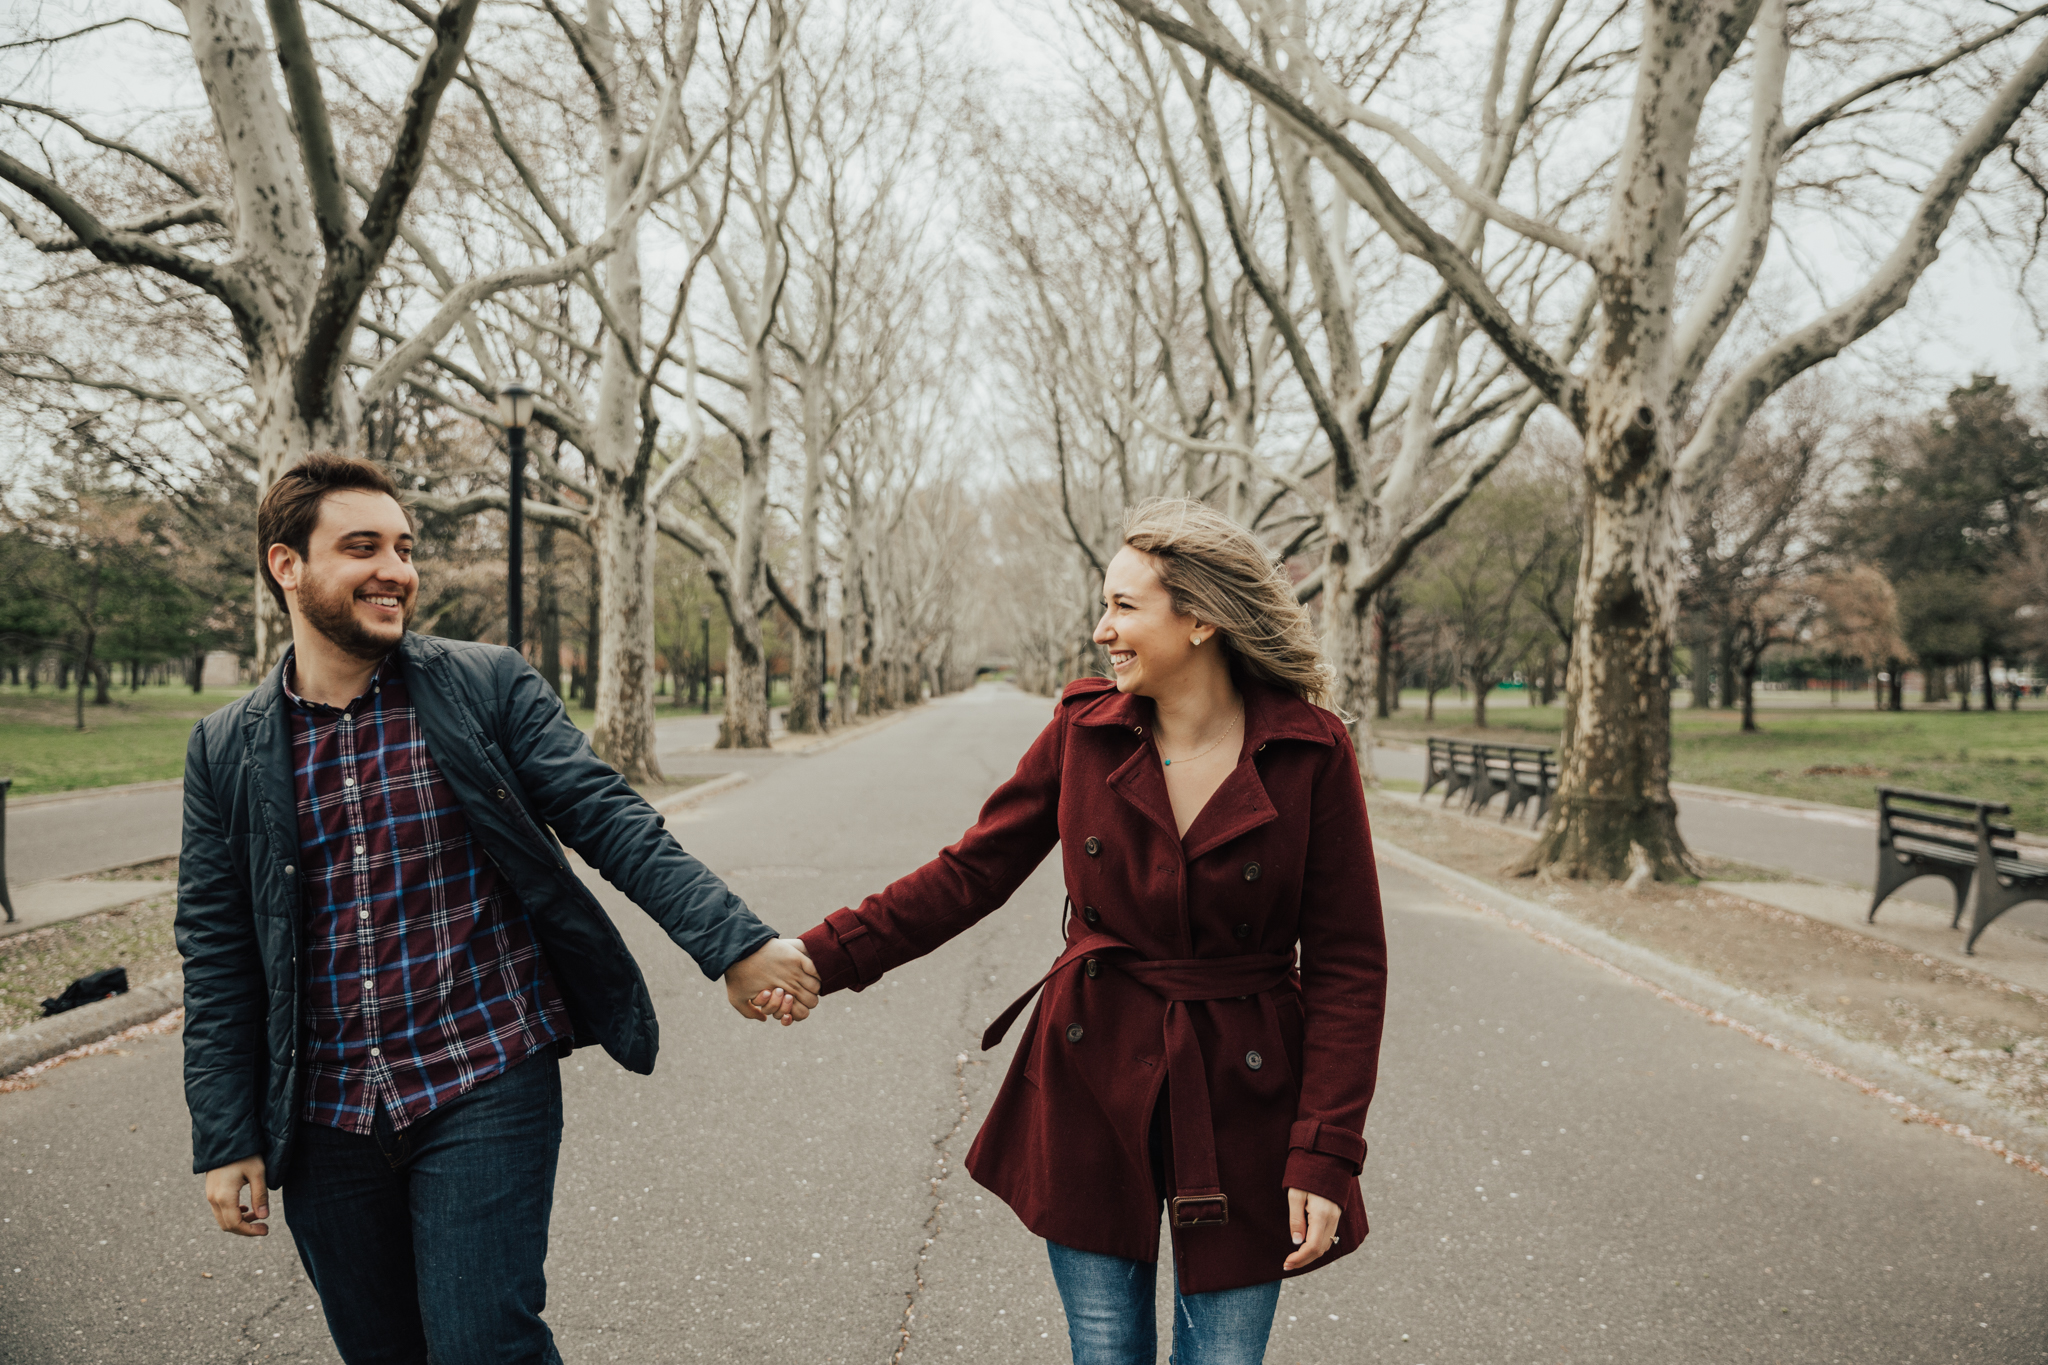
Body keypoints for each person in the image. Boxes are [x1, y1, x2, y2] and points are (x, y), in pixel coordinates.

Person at [175, 452, 819, 1365]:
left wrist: (736, 944)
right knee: (382, 1349)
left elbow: (612, 819)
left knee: (486, 1345)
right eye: (362, 547)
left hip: (482, 1071)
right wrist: (226, 1132)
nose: (395, 568)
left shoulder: (483, 685)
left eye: (404, 546)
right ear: (288, 565)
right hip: (322, 1114)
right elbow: (216, 948)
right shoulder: (225, 748)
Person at [765, 497, 1388, 1365]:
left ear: (1201, 617)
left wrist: (1326, 1151)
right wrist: (819, 956)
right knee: (1106, 1355)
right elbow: (968, 873)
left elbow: (1348, 966)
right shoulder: (1083, 731)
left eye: (1124, 606)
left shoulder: (1310, 750)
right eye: (1105, 605)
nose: (1103, 630)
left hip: (1248, 1092)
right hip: (1096, 1068)